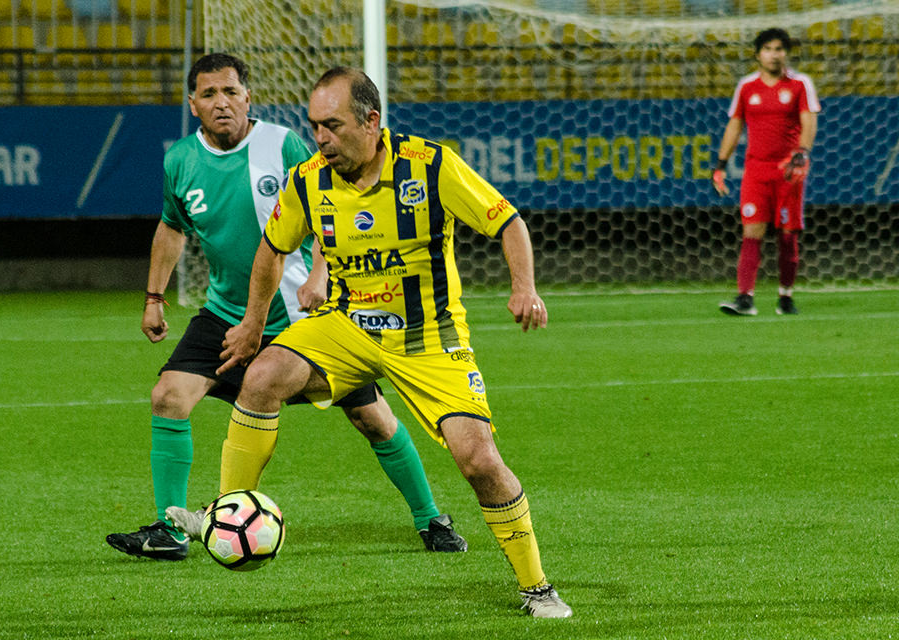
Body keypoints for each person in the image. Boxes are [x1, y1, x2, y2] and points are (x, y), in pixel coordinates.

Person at [165, 67, 572, 618]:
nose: (321, 139)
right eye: (315, 127)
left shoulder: (429, 165)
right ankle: (227, 513)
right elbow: (272, 248)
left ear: (371, 121)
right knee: (261, 375)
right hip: (348, 326)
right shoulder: (310, 179)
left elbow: (508, 222)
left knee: (477, 460)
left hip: (428, 337)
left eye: (332, 126)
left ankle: (536, 586)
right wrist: (254, 323)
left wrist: (524, 287)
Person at [106, 53, 466, 562]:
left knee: (374, 420)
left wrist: (320, 273)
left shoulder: (282, 144)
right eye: (209, 94)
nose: (221, 103)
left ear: (248, 97)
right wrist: (153, 297)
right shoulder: (180, 161)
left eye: (231, 92)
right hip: (227, 312)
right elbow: (171, 226)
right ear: (192, 104)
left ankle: (430, 518)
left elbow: (329, 202)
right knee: (168, 396)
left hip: (303, 317)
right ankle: (171, 530)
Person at [713, 27, 819, 316]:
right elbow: (734, 125)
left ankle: (785, 297)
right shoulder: (746, 87)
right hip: (756, 171)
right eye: (769, 49)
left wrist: (802, 152)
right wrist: (721, 164)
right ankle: (745, 298)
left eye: (780, 49)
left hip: (788, 171)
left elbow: (808, 120)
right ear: (758, 54)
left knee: (787, 236)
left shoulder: (800, 83)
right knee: (751, 232)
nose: (775, 54)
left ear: (786, 53)